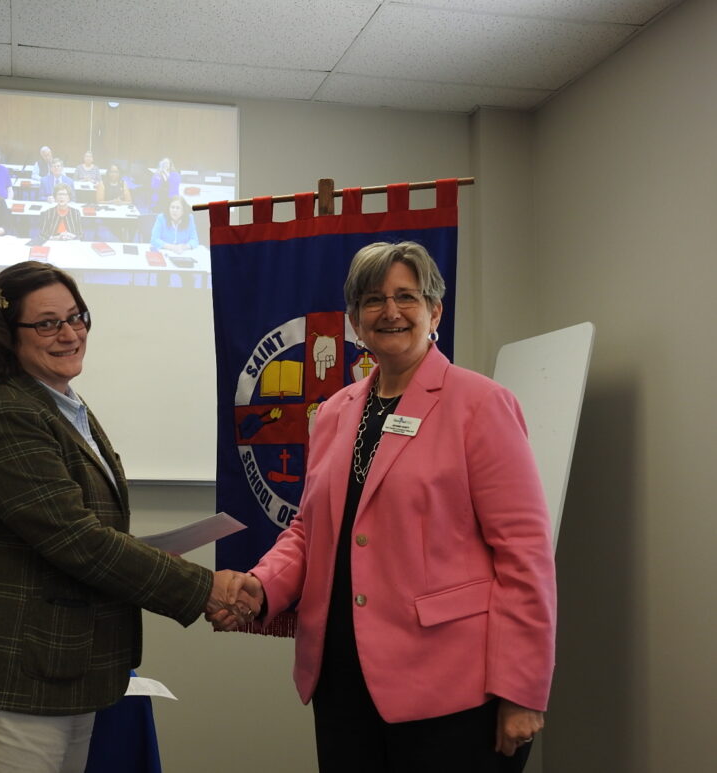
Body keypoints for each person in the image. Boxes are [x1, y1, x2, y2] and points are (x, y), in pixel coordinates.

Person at [215, 242, 557, 772]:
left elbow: (525, 555)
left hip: (453, 687)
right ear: (354, 318)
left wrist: (523, 688)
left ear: (435, 311)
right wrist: (263, 584)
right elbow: (311, 530)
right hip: (343, 678)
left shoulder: (481, 405)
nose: (390, 312)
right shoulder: (333, 412)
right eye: (373, 299)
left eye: (406, 297)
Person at [0, 261, 259, 773]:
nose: (69, 333)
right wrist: (205, 588)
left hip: (63, 669)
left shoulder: (63, 405)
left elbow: (86, 537)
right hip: (16, 676)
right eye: (47, 323)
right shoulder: (10, 416)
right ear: (6, 335)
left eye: (76, 316)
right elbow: (80, 542)